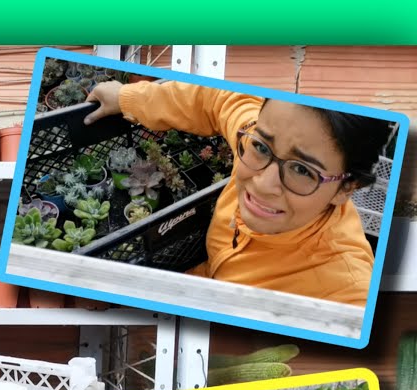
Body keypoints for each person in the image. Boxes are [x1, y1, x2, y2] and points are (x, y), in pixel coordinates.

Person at [83, 79, 395, 307]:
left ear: (346, 188)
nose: (262, 184)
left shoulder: (347, 292)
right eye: (261, 146)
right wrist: (128, 98)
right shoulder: (253, 137)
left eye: (303, 171)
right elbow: (219, 98)